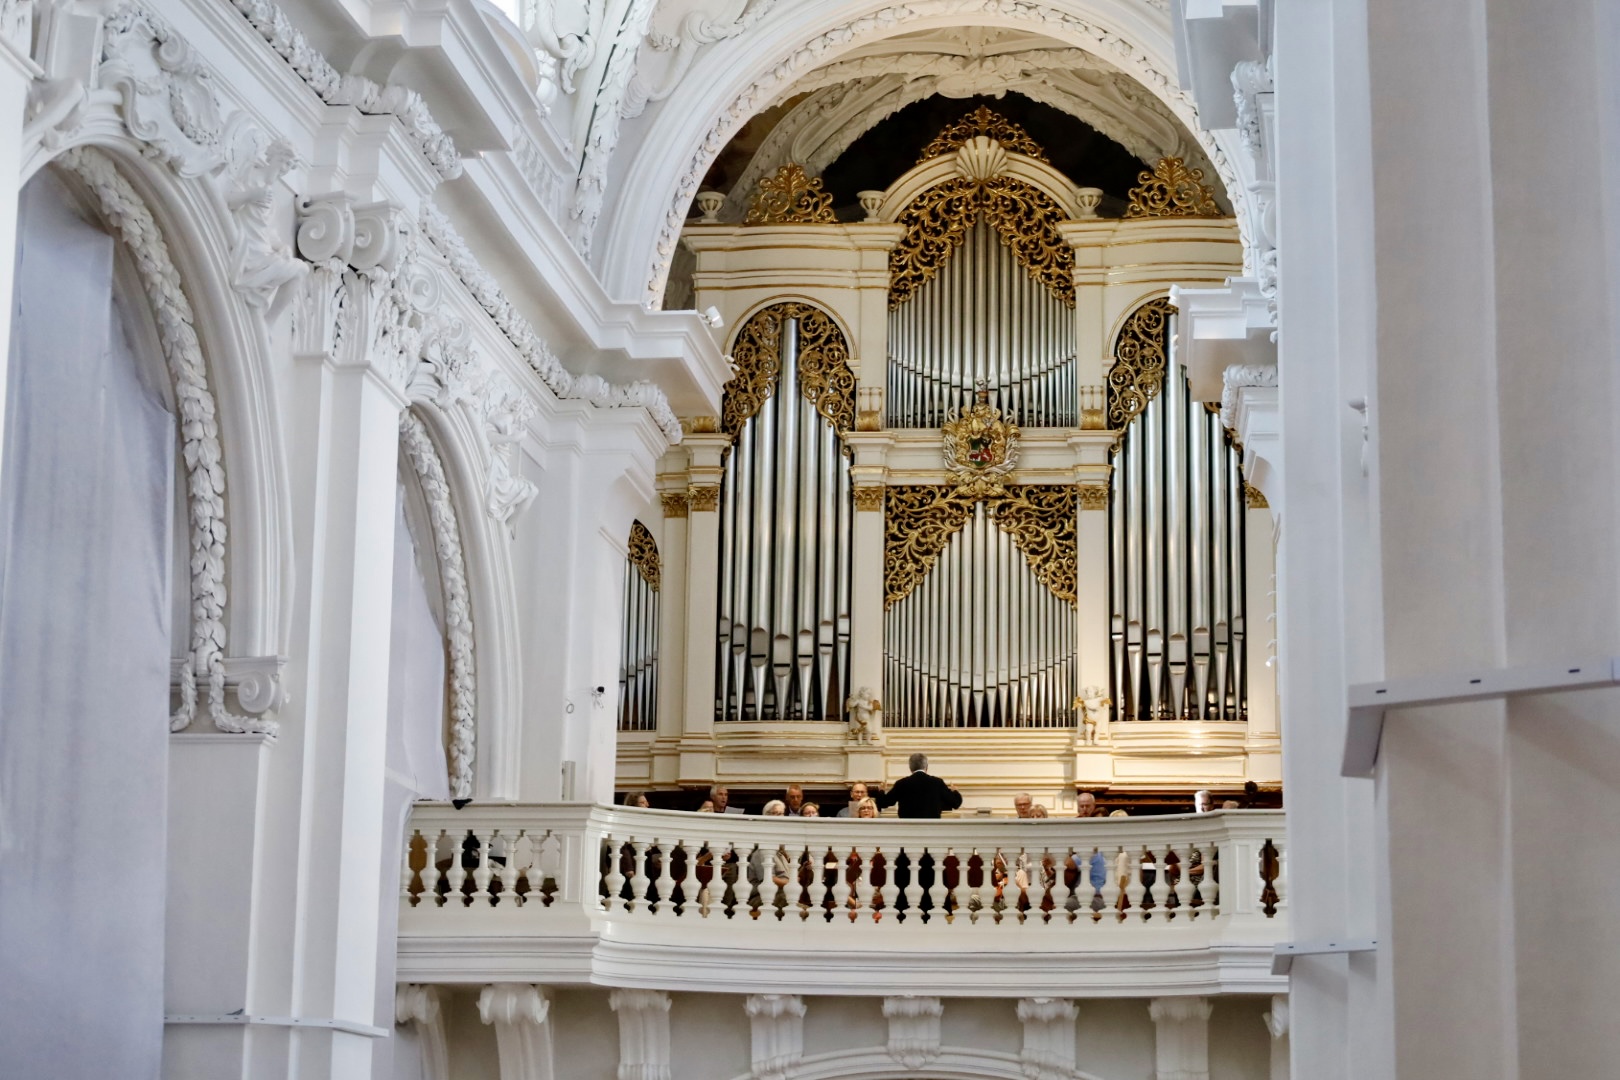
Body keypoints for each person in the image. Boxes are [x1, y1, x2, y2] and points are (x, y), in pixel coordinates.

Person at [873, 753, 962, 819]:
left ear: (910, 768)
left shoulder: (901, 783)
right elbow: (955, 803)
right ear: (926, 767)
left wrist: (881, 791)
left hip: (908, 830)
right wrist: (955, 791)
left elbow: (883, 802)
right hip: (931, 830)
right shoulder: (937, 782)